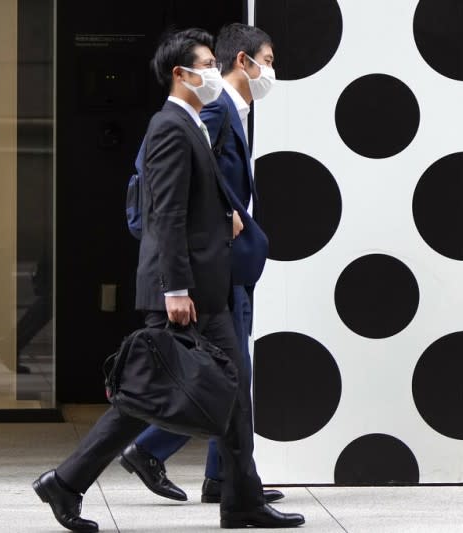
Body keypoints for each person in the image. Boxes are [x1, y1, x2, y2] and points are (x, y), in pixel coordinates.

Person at [31, 28, 304, 531]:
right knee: (144, 400)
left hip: (207, 286)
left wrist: (225, 215)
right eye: (203, 64)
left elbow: (193, 200)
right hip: (183, 291)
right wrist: (174, 289)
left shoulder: (193, 122)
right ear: (180, 74)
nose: (211, 74)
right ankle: (67, 482)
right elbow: (165, 215)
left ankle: (241, 498)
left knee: (234, 388)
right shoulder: (169, 127)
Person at [120, 23, 278, 506]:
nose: (272, 71)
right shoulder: (212, 109)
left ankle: (222, 479)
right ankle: (148, 452)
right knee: (223, 374)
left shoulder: (231, 112)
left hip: (225, 264)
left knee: (230, 374)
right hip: (212, 267)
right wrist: (220, 214)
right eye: (268, 61)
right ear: (243, 62)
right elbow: (162, 177)